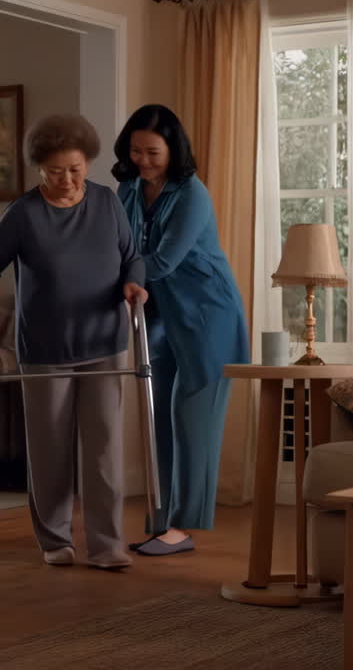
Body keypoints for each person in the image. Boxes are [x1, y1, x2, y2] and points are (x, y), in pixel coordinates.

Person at [0, 114, 147, 570]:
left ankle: (108, 546)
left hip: (105, 342)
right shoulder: (24, 213)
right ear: (39, 170)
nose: (67, 180)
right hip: (45, 348)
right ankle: (55, 540)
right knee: (50, 450)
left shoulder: (107, 204)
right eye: (55, 171)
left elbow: (132, 259)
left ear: (87, 164)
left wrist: (134, 285)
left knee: (105, 450)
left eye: (75, 169)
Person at [112, 104, 249, 556]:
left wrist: (105, 276)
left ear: (173, 150)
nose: (143, 161)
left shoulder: (191, 193)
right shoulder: (128, 189)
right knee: (161, 422)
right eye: (136, 151)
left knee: (193, 422)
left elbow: (164, 260)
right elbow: (116, 246)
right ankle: (164, 519)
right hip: (160, 315)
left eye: (153, 152)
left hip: (208, 315)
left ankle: (184, 526)